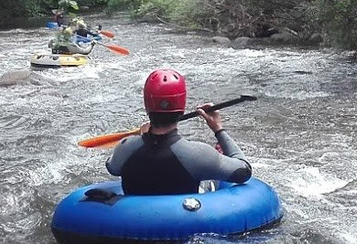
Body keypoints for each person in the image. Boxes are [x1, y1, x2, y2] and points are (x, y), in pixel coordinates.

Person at [106, 68, 252, 195]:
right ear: (181, 107)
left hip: (132, 222)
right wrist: (218, 129)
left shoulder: (125, 147)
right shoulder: (199, 154)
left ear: (147, 105)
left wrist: (143, 137)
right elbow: (244, 170)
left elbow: (112, 167)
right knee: (212, 173)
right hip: (188, 221)